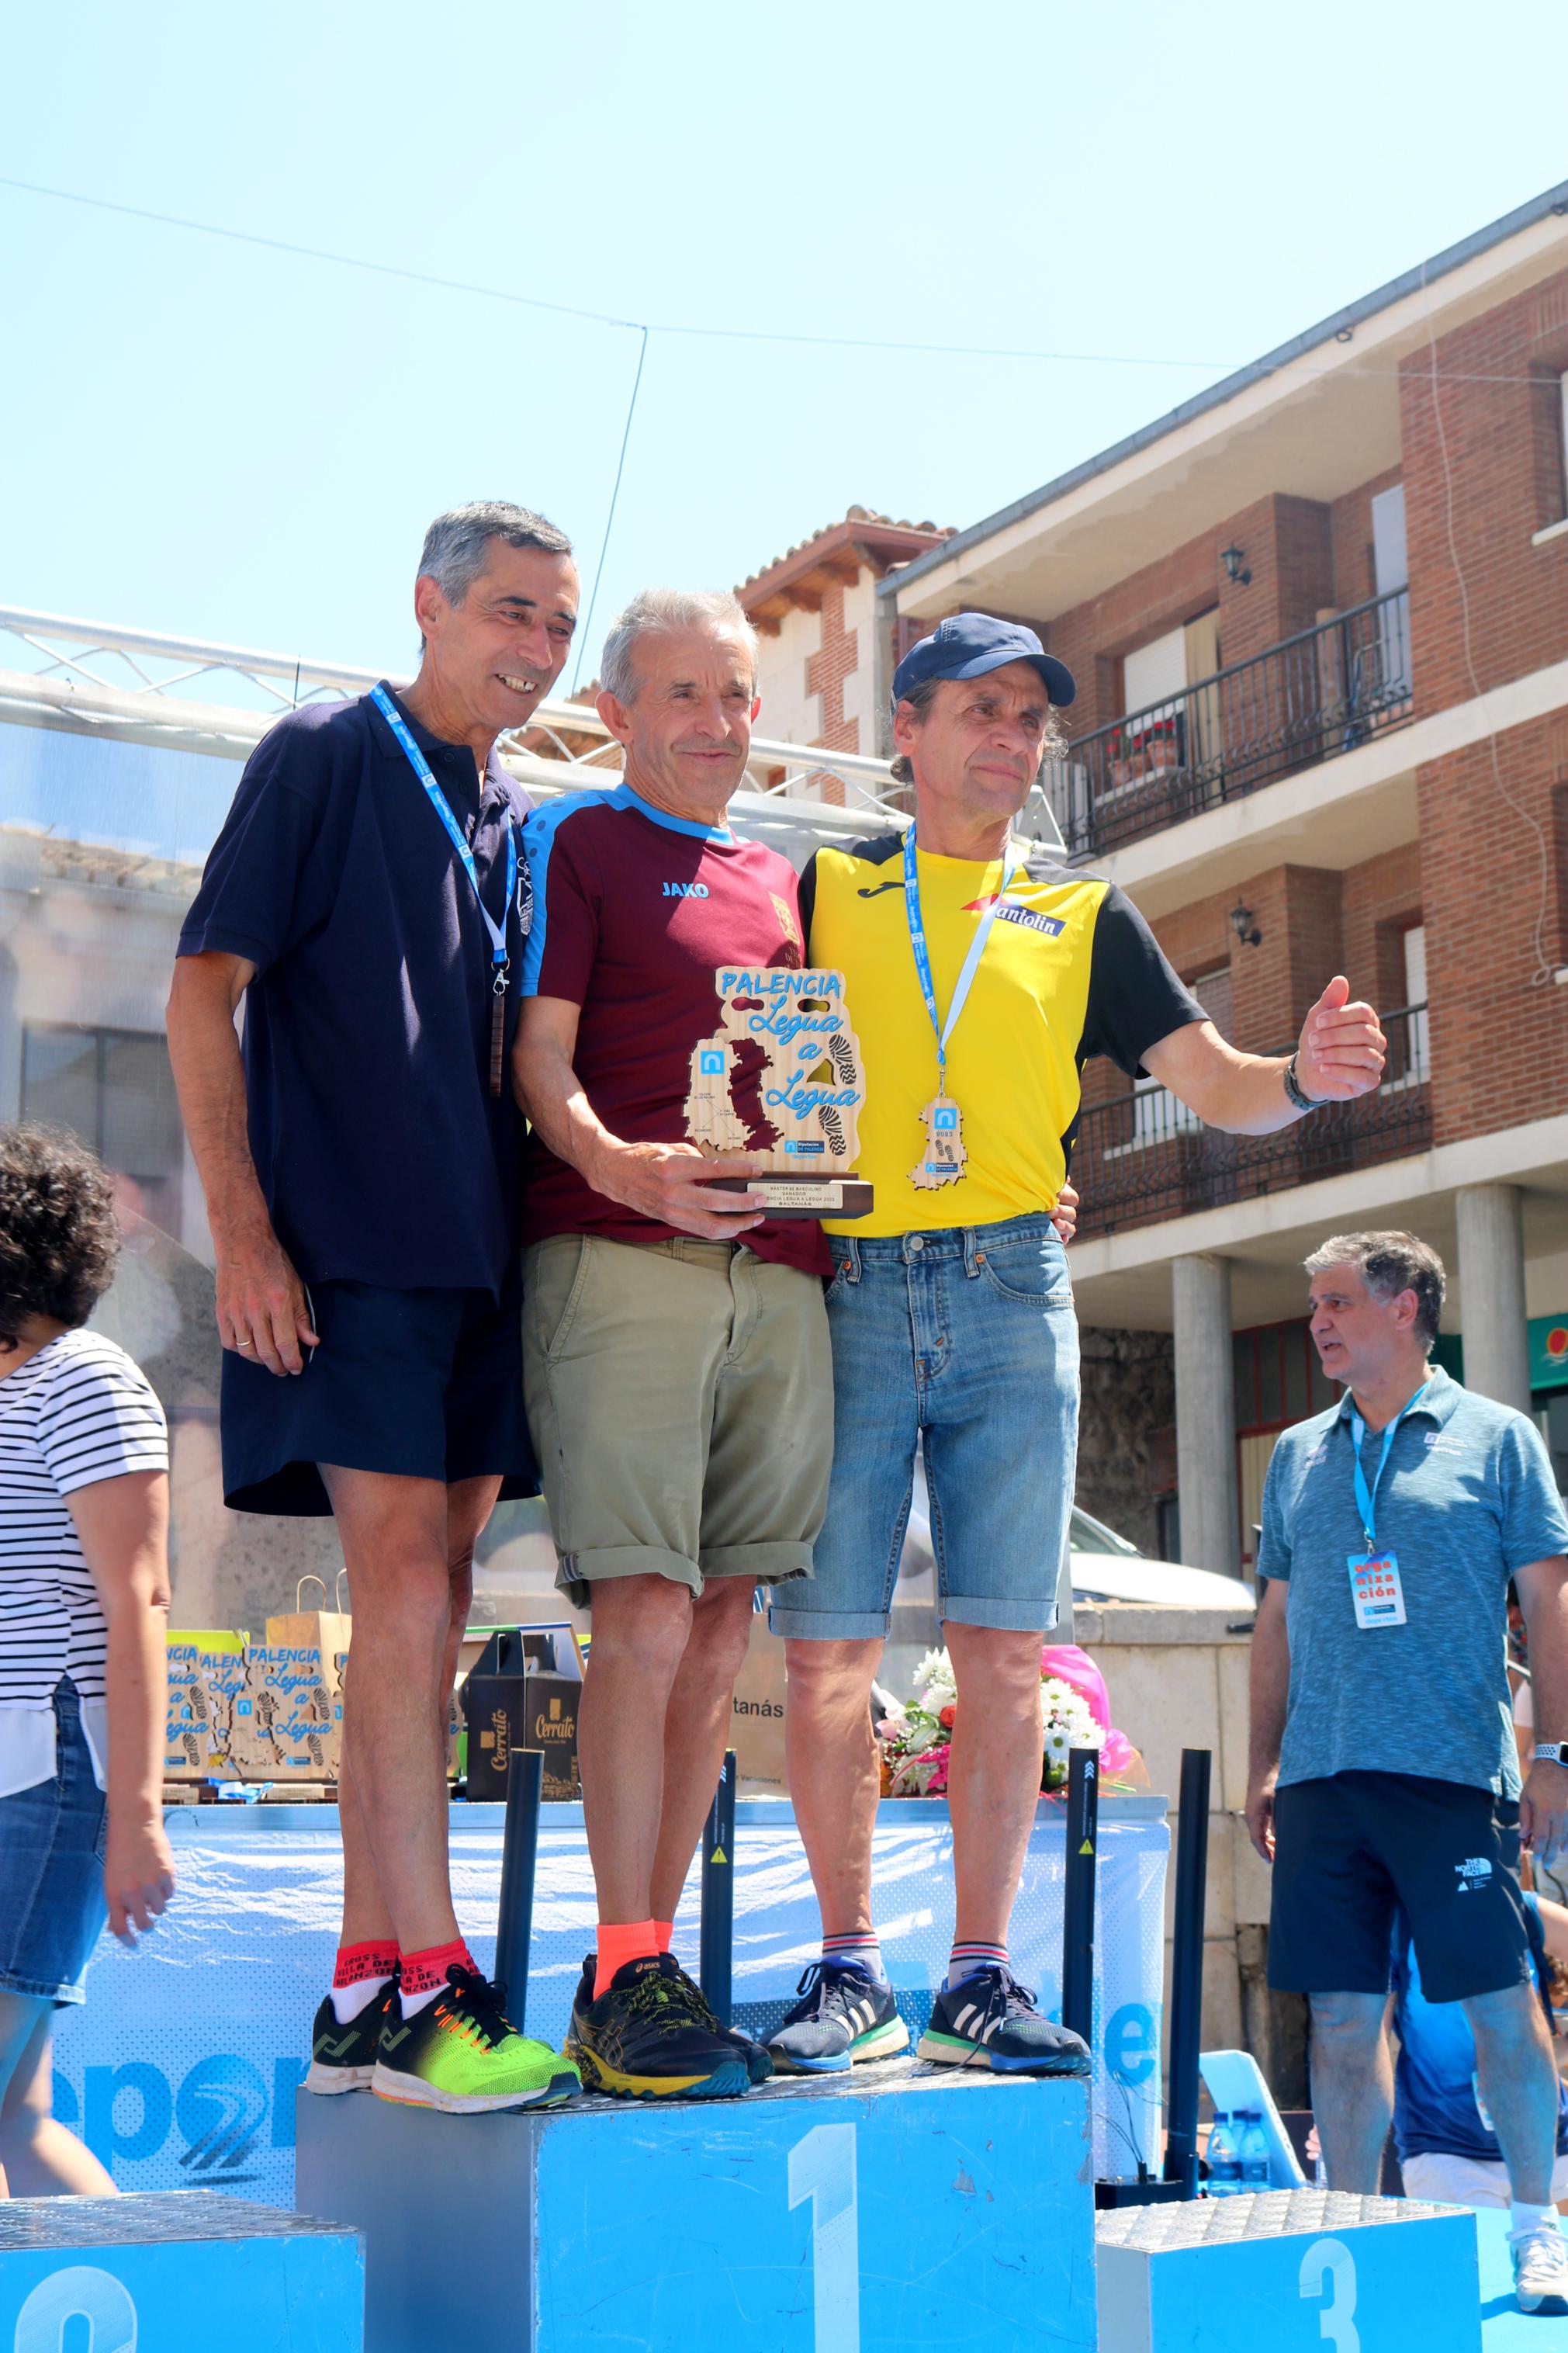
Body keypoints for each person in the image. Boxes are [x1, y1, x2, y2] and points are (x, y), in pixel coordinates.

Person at [765, 612, 1386, 2080]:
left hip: (1010, 1289)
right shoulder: (824, 886)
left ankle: (977, 1974)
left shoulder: (1081, 914)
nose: (1010, 737)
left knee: (1001, 1652)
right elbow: (747, 1055)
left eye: (1031, 719)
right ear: (904, 730)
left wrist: (1301, 1076)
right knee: (825, 1654)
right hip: (843, 1279)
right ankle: (846, 1967)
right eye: (979, 709)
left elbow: (1216, 1081)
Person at [168, 501, 583, 2115]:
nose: (533, 650)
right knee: (404, 1580)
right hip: (347, 1247)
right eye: (507, 612)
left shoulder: (518, 810)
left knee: (439, 1600)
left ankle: (358, 1988)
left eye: (556, 623)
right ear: (425, 603)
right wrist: (246, 1234)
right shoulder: (323, 749)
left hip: (488, 1254)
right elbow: (202, 986)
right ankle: (432, 1987)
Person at [514, 587, 835, 2098]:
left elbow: (816, 1077)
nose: (719, 721)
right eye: (686, 693)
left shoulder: (785, 878)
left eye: (737, 692)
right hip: (623, 1255)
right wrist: (625, 1168)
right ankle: (623, 1956)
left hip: (780, 1272)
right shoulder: (576, 844)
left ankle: (645, 1975)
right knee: (637, 1612)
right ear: (618, 712)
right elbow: (537, 1060)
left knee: (720, 1624)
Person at [1248, 1230, 1568, 2314]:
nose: (1320, 1323)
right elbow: (1275, 1620)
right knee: (1338, 2022)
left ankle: (1539, 2228)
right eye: (1313, 1307)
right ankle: (1354, 2232)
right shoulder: (1297, 1453)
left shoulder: (1498, 1437)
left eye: (1338, 1301)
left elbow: (1549, 1603)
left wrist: (1556, 1753)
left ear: (1405, 1307)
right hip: (1322, 1781)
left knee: (1498, 2006)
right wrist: (1262, 1764)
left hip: (1449, 1778)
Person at [0, 1124, 175, 2193]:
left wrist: (137, 1817)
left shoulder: (83, 1378)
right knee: (18, 2119)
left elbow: (141, 1600)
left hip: (53, 1777)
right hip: (18, 1773)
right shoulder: (17, 1385)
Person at [1393, 1888, 1568, 2209]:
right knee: (1477, 2260)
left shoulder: (1523, 1908)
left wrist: (1557, 2051)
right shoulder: (1396, 1923)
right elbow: (1360, 2035)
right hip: (1445, 2149)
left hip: (1552, 2142)